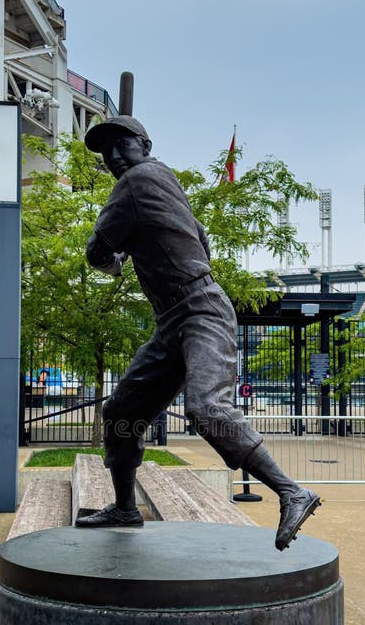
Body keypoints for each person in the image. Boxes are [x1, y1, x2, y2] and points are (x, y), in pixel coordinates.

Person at [76, 116, 320, 550]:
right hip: (173, 319)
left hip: (200, 309)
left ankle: (292, 492)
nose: (114, 156)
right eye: (106, 150)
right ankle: (125, 507)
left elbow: (96, 251)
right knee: (120, 414)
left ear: (145, 145)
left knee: (208, 408)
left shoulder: (135, 181)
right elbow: (203, 243)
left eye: (123, 144)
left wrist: (115, 258)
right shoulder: (167, 180)